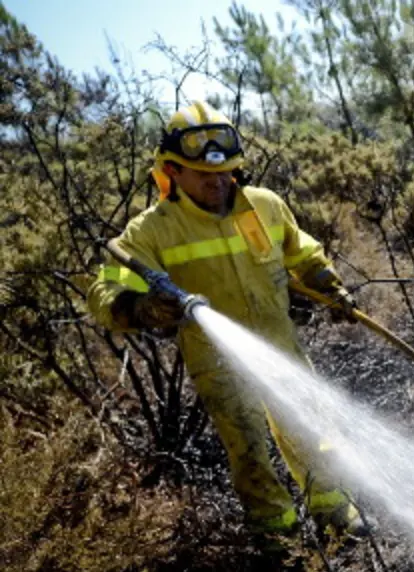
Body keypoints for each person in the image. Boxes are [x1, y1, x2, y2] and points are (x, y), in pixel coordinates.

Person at [88, 101, 368, 545]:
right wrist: (143, 310)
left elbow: (304, 254)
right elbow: (103, 294)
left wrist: (328, 285)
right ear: (173, 171)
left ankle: (335, 513)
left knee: (314, 435)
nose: (219, 182)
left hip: (280, 345)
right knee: (250, 455)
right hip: (218, 363)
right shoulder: (149, 232)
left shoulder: (265, 206)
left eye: (227, 172)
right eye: (205, 175)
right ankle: (281, 541)